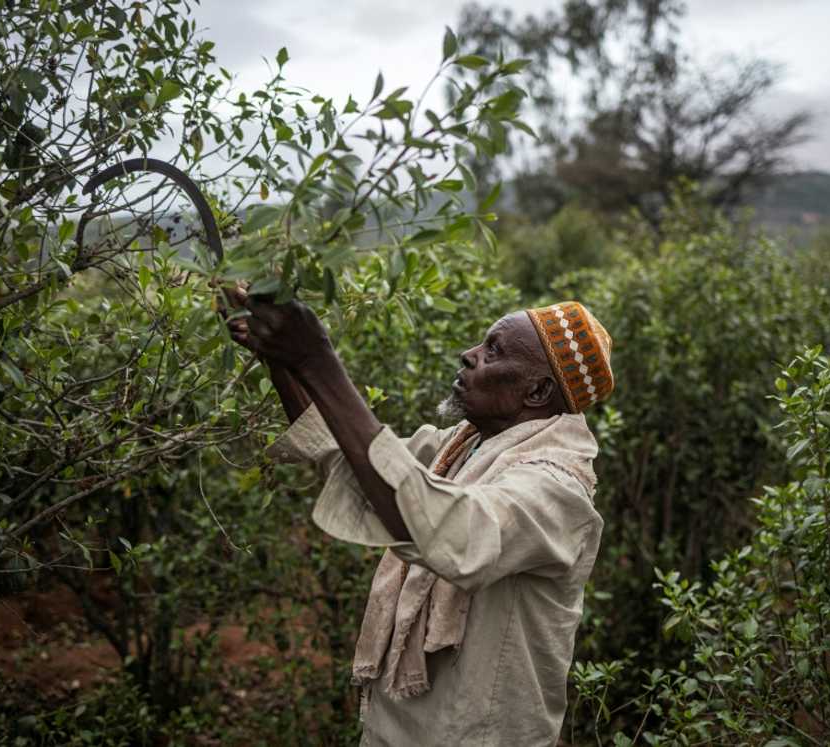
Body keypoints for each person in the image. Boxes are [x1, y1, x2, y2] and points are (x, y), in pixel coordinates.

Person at [226, 288, 614, 746]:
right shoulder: (463, 445)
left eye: (493, 350)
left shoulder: (555, 489)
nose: (469, 356)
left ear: (537, 390)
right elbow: (355, 458)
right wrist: (282, 360)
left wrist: (318, 358)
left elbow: (445, 528)